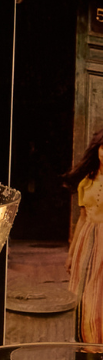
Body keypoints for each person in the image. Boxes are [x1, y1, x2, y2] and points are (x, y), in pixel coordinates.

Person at [68, 138, 103, 344]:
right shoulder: (86, 183)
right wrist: (72, 254)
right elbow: (82, 218)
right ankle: (86, 350)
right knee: (83, 295)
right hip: (87, 242)